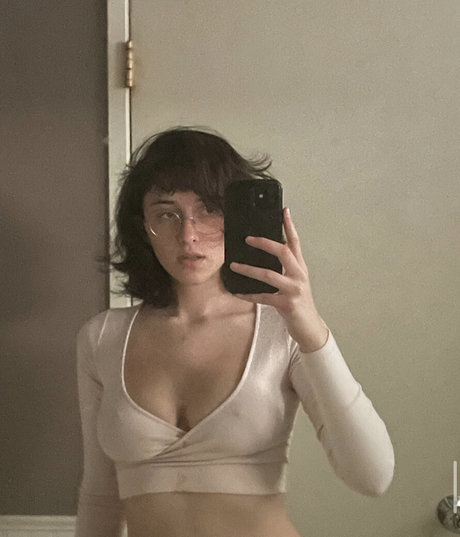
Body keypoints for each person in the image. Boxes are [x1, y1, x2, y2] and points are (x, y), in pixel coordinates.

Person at [75, 126, 394, 537]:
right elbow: (100, 496)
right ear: (142, 226)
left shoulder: (283, 331)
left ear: (237, 218)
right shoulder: (102, 338)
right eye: (167, 214)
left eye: (209, 210)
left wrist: (310, 327)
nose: (188, 235)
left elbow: (372, 476)